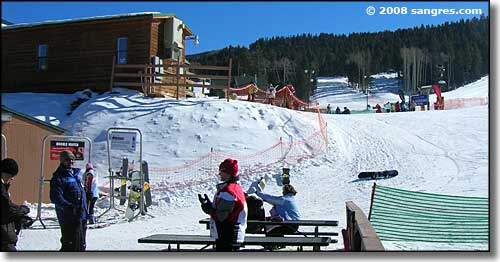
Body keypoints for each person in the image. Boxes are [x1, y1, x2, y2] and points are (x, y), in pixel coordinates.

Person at [198, 158, 247, 251]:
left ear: (228, 173)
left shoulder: (229, 191)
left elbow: (222, 216)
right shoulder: (234, 188)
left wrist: (209, 209)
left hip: (228, 235)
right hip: (230, 234)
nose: (219, 173)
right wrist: (211, 205)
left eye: (221, 171)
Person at [50, 150, 88, 251]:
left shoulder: (75, 175)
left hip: (80, 216)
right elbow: (55, 197)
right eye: (67, 159)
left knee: (80, 245)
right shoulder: (59, 177)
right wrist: (69, 207)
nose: (71, 161)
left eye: (72, 159)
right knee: (70, 246)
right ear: (62, 161)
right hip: (68, 218)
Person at [1, 158, 33, 251]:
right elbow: (8, 209)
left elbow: (7, 204)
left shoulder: (3, 187)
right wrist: (23, 210)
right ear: (5, 173)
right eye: (11, 175)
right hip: (4, 236)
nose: (12, 178)